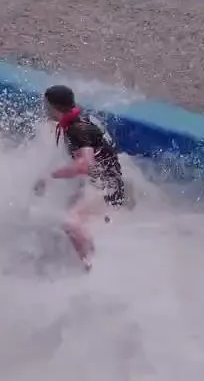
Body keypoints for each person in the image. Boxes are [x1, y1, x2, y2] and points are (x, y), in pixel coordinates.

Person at [33, 84, 125, 271]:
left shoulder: (78, 130)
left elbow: (85, 165)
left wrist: (49, 177)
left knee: (69, 221)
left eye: (46, 105)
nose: (44, 109)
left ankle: (93, 264)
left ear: (54, 107)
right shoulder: (78, 121)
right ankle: (89, 249)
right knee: (69, 215)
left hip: (106, 188)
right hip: (105, 181)